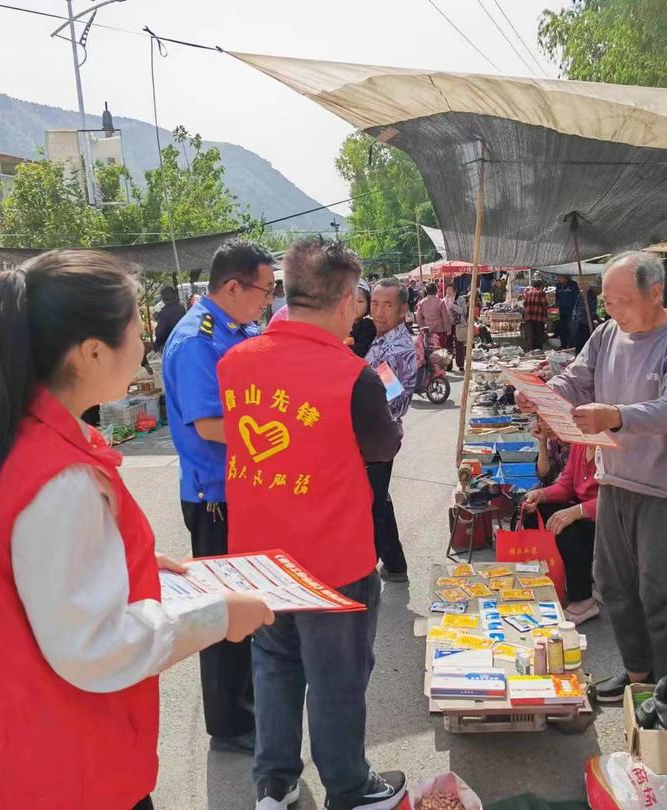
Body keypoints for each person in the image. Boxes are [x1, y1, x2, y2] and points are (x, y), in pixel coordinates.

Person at [0, 251, 273, 810]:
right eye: (136, 331)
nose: (146, 348)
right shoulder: (59, 477)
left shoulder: (4, 440)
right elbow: (93, 646)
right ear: (92, 353)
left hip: (5, 741)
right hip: (59, 764)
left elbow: (24, 574)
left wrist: (128, 565)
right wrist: (219, 616)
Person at [218, 237, 407, 810]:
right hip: (332, 561)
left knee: (274, 665)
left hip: (260, 559)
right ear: (346, 300)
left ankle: (273, 784)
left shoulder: (234, 363)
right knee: (337, 678)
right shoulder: (354, 377)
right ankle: (349, 788)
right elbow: (383, 446)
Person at [516, 251, 667, 702]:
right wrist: (543, 395)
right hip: (615, 480)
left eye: (622, 301)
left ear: (654, 293)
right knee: (613, 585)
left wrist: (616, 415)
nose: (612, 310)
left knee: (658, 592)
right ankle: (638, 673)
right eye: (606, 301)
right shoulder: (606, 334)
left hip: (664, 487)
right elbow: (576, 378)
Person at [161, 238, 276, 754]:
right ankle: (228, 723)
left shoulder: (238, 329)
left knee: (248, 602)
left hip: (242, 488)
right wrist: (281, 437)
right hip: (215, 495)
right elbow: (209, 424)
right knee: (222, 609)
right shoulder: (196, 340)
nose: (267, 302)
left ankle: (248, 701)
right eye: (264, 291)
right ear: (233, 286)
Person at [365, 277, 418, 582]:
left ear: (402, 310)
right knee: (378, 497)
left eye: (387, 305)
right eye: (374, 304)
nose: (379, 312)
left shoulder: (396, 348)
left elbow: (389, 401)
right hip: (377, 435)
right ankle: (394, 562)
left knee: (373, 502)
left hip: (377, 435)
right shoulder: (380, 338)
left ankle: (370, 566)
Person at [522, 423, 599, 625]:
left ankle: (583, 599)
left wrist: (577, 511)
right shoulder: (580, 445)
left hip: (608, 517)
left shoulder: (612, 449)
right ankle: (546, 579)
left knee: (568, 529)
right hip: (583, 509)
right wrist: (541, 494)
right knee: (533, 511)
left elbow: (618, 498)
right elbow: (566, 484)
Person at [415, 281, 451, 350]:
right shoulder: (440, 302)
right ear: (436, 291)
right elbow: (446, 317)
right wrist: (448, 329)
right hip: (440, 330)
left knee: (428, 351)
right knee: (440, 351)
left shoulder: (421, 303)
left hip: (427, 331)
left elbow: (418, 318)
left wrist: (422, 327)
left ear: (426, 291)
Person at [349, 281, 377, 358]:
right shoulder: (337, 324)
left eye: (360, 301)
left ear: (368, 305)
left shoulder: (369, 326)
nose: (354, 305)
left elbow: (363, 348)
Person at [153, 286, 185, 353]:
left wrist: (156, 346)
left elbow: (160, 334)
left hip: (169, 346)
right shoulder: (181, 308)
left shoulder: (164, 313)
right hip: (182, 343)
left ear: (163, 298)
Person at [572, 279, 599, 353]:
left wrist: (597, 319)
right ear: (595, 288)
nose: (600, 292)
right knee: (582, 343)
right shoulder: (587, 295)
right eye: (599, 289)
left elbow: (592, 311)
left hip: (585, 322)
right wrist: (592, 321)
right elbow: (582, 312)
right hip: (583, 322)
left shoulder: (592, 295)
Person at [521, 279, 548, 352]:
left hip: (529, 317)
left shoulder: (528, 292)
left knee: (530, 333)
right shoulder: (541, 293)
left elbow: (524, 304)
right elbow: (544, 305)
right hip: (538, 317)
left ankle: (530, 348)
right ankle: (538, 349)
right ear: (541, 286)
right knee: (539, 333)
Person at [554, 275, 580, 347]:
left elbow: (577, 298)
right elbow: (557, 298)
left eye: (559, 277)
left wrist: (576, 310)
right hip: (561, 311)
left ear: (564, 277)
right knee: (562, 328)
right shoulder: (558, 285)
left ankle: (572, 345)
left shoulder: (573, 285)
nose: (558, 278)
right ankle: (563, 345)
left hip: (571, 311)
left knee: (571, 328)